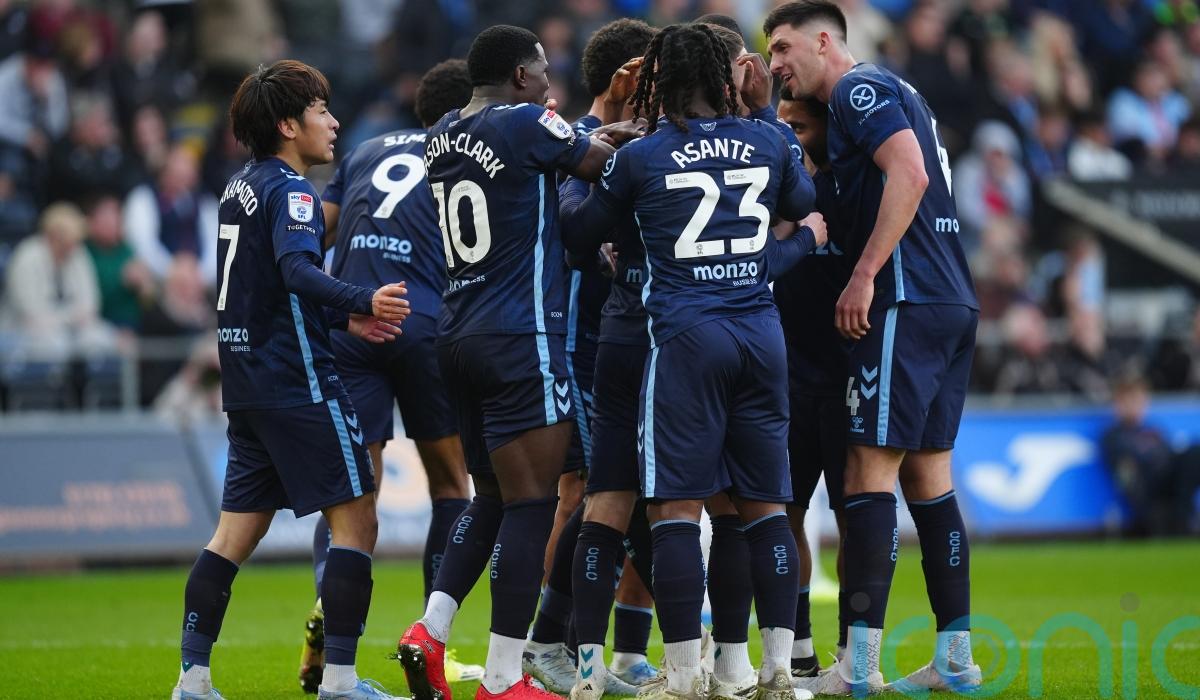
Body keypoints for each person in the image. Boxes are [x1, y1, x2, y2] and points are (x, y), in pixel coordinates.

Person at [562, 22, 822, 700]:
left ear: (659, 79)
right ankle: (775, 672)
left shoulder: (642, 155)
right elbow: (801, 203)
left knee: (673, 511)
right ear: (726, 74)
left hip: (681, 340)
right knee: (764, 509)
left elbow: (578, 233)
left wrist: (582, 161)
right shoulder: (768, 138)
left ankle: (680, 676)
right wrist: (765, 115)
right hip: (760, 337)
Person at [394, 25, 636, 700]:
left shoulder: (441, 132)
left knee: (493, 498)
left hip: (458, 336)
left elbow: (560, 150)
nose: (551, 84)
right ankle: (503, 678)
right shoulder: (527, 123)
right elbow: (597, 164)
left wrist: (606, 130)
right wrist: (640, 137)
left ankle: (430, 630)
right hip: (521, 336)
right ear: (523, 77)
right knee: (533, 505)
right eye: (544, 72)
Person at [170, 59, 410, 700]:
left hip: (248, 386)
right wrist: (362, 300)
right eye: (321, 111)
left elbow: (267, 293)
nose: (333, 123)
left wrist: (341, 321)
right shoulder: (296, 193)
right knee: (357, 521)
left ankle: (192, 679)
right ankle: (340, 680)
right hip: (300, 386)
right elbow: (299, 272)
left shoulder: (238, 186)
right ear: (287, 125)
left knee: (232, 536)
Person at [766, 1, 981, 693]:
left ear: (824, 40)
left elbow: (910, 174)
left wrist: (864, 275)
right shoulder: (899, 89)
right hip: (952, 299)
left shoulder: (857, 90)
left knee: (867, 474)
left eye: (783, 48)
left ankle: (857, 668)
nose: (776, 64)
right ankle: (954, 658)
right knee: (930, 480)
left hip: (904, 300)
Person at [295, 58, 479, 695]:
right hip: (425, 323)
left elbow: (321, 229)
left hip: (353, 324)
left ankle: (329, 605)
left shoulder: (366, 149)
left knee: (354, 495)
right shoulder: (468, 155)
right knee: (452, 486)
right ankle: (431, 639)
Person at [521, 18, 658, 698]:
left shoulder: (648, 142)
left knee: (640, 494)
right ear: (627, 77)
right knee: (582, 494)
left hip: (632, 344)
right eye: (651, 73)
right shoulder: (569, 141)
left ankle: (626, 652)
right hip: (577, 344)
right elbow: (570, 237)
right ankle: (553, 645)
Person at [772, 87, 850, 679]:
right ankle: (798, 649)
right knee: (785, 512)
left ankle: (853, 651)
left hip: (849, 375)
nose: (790, 139)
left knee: (856, 518)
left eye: (798, 128)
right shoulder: (777, 186)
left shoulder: (855, 187)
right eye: (783, 128)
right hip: (789, 374)